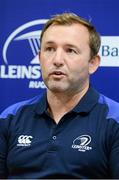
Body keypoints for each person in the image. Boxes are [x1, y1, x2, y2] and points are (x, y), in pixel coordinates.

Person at [0, 12, 119, 179]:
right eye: (49, 49)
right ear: (39, 57)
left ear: (92, 63)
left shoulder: (114, 120)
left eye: (70, 50)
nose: (57, 60)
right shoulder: (10, 117)